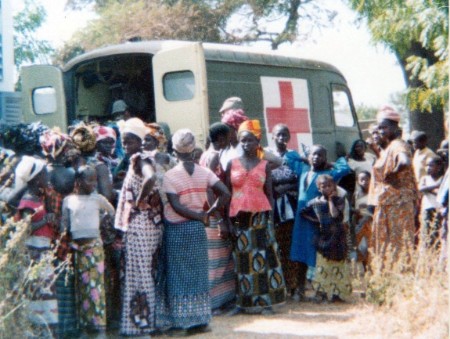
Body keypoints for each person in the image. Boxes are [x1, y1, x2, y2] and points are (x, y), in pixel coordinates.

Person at [156, 129, 230, 336]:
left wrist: (200, 216)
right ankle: (200, 320)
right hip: (198, 229)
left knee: (178, 276)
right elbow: (225, 192)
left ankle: (182, 323)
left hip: (178, 229)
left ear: (174, 150)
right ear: (193, 149)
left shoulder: (171, 176)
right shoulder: (204, 172)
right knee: (198, 275)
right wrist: (209, 212)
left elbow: (175, 205)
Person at [225, 119, 286, 314]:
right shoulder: (231, 164)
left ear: (258, 141)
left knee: (262, 260)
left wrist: (271, 220)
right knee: (242, 260)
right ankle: (243, 304)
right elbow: (227, 195)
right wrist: (228, 222)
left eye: (250, 140)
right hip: (239, 217)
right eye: (243, 141)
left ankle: (264, 303)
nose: (246, 144)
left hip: (260, 217)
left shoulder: (265, 165)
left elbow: (269, 194)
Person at [114, 117, 162, 336]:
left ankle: (142, 325)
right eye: (123, 142)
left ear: (140, 141)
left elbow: (150, 179)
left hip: (140, 226)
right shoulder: (143, 158)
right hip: (146, 225)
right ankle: (143, 322)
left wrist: (140, 201)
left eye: (130, 141)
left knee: (140, 275)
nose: (126, 146)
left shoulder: (139, 159)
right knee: (142, 274)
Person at [285, 144, 351, 301]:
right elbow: (288, 158)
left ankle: (320, 290)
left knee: (317, 253)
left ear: (325, 159)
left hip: (317, 220)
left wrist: (332, 164)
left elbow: (345, 168)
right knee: (300, 253)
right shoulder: (303, 170)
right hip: (301, 219)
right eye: (313, 155)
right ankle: (300, 289)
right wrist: (304, 157)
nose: (316, 158)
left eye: (320, 155)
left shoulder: (327, 176)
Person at [61, 165, 115, 334]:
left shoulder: (97, 199)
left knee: (96, 288)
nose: (93, 183)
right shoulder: (68, 200)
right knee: (82, 288)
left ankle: (100, 329)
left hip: (95, 249)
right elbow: (65, 223)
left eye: (95, 180)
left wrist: (103, 220)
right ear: (78, 181)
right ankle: (85, 327)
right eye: (89, 180)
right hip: (78, 249)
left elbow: (112, 212)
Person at [14, 156, 59, 334]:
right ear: (36, 177)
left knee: (45, 293)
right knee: (40, 293)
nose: (47, 177)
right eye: (44, 174)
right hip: (35, 253)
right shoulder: (28, 201)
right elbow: (24, 229)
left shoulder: (37, 199)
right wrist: (45, 221)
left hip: (42, 250)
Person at [369, 106, 417, 260]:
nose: (381, 131)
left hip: (398, 205)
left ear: (394, 128)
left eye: (384, 128)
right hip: (387, 204)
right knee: (387, 247)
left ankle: (400, 279)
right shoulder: (387, 148)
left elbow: (405, 161)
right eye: (379, 128)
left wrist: (394, 173)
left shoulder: (398, 145)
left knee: (398, 245)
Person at [199, 122, 236, 313]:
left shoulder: (206, 154)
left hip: (212, 214)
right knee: (216, 262)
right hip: (213, 215)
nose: (230, 140)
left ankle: (220, 300)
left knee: (219, 259)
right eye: (228, 137)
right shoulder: (213, 156)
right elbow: (208, 187)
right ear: (220, 138)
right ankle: (212, 303)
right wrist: (218, 217)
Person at [301, 175, 352, 303]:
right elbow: (303, 212)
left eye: (330, 186)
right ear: (319, 188)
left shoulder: (339, 201)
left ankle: (337, 295)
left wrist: (330, 200)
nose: (327, 188)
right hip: (323, 237)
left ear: (334, 187)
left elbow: (335, 216)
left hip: (338, 237)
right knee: (323, 266)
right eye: (324, 186)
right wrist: (317, 220)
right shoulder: (315, 202)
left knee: (338, 265)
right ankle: (322, 293)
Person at [265, 123, 300, 300]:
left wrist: (283, 188)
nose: (281, 138)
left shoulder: (294, 157)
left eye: (285, 135)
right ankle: (275, 286)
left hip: (289, 208)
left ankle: (292, 285)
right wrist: (272, 189)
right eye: (278, 134)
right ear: (272, 136)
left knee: (288, 246)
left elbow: (300, 179)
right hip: (270, 207)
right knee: (272, 246)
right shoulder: (265, 155)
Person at [418, 155, 444, 249]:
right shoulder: (425, 178)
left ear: (439, 167)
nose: (428, 168)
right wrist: (436, 186)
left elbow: (441, 194)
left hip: (438, 209)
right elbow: (421, 188)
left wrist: (428, 189)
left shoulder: (443, 179)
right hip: (427, 209)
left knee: (436, 233)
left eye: (431, 166)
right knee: (426, 232)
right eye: (427, 165)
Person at [352, 171, 372, 272]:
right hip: (360, 225)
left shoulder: (374, 194)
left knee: (371, 247)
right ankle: (364, 270)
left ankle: (371, 270)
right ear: (358, 181)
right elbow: (353, 210)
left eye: (367, 179)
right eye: (362, 180)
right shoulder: (356, 195)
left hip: (371, 224)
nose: (365, 182)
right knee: (361, 247)